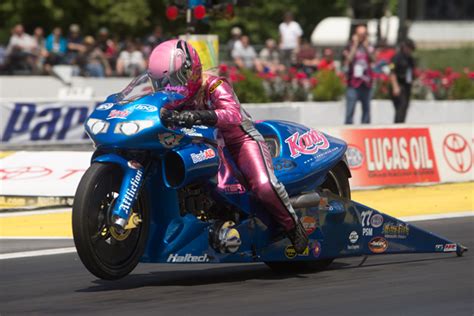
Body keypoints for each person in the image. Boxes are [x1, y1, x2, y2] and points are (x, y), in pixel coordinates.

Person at [149, 39, 308, 253]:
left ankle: (293, 226)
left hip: (238, 141)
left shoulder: (213, 85)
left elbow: (233, 115)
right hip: (204, 145)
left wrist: (199, 115)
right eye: (163, 82)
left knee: (263, 185)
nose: (170, 88)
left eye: (175, 80)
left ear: (191, 70)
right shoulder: (172, 98)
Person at [343, 24, 374, 124]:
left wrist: (365, 47)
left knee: (366, 112)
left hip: (366, 83)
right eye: (360, 34)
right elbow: (348, 60)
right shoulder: (349, 46)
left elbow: (373, 59)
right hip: (353, 84)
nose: (362, 37)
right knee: (350, 111)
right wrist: (355, 45)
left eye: (364, 34)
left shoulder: (369, 46)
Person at [389, 39, 416, 123]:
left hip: (406, 86)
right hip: (398, 85)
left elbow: (411, 72)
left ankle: (401, 125)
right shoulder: (396, 57)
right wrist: (395, 86)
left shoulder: (410, 59)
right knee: (400, 108)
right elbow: (392, 72)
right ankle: (397, 127)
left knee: (404, 107)